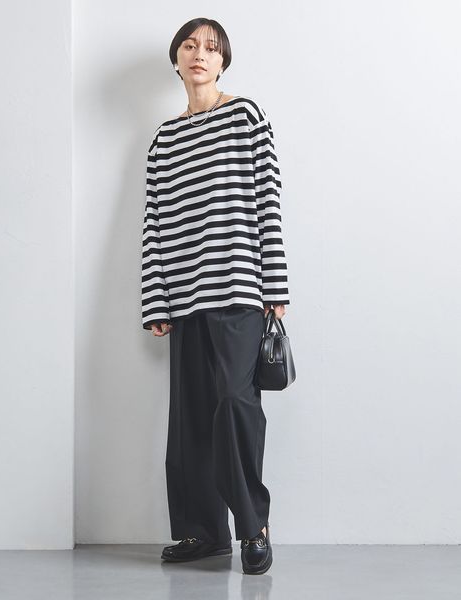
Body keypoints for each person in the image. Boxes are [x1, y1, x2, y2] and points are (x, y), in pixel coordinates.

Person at [140, 17, 290, 575]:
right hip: (183, 296)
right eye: (189, 45)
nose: (199, 54)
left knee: (235, 404)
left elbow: (268, 200)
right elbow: (155, 223)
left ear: (223, 61)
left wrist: (275, 285)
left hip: (238, 288)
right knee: (190, 421)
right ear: (176, 59)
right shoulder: (164, 139)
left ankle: (253, 527)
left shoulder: (246, 115)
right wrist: (155, 299)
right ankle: (203, 533)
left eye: (210, 47)